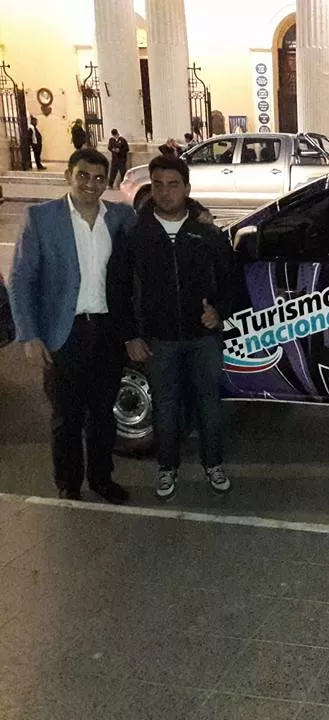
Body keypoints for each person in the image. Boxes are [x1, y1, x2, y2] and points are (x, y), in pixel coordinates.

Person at [108, 154, 239, 501]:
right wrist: (130, 334)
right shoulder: (135, 233)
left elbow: (232, 280)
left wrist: (220, 311)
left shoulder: (206, 231)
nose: (166, 193)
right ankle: (168, 468)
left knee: (209, 404)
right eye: (159, 185)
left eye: (174, 185)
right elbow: (117, 287)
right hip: (158, 340)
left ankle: (214, 465)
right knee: (165, 407)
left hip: (203, 338)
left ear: (187, 188)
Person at [8, 149, 135, 504]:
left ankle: (101, 479)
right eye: (83, 175)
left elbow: (158, 228)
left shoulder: (121, 217)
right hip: (64, 333)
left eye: (98, 178)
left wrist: (199, 216)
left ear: (106, 182)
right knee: (66, 415)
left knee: (103, 414)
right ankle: (68, 483)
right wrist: (30, 335)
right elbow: (20, 280)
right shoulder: (41, 218)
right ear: (68, 175)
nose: (90, 184)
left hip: (107, 331)